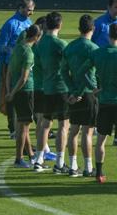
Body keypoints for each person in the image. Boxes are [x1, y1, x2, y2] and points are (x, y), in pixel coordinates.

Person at [81, 23, 117, 184]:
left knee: (101, 139)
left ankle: (99, 173)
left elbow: (82, 71)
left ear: (108, 35)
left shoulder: (98, 53)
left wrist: (93, 88)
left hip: (103, 101)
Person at [61, 14, 99, 177]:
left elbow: (64, 71)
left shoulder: (70, 47)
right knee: (88, 132)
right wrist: (83, 91)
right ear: (93, 29)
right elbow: (88, 74)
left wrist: (72, 91)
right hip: (89, 93)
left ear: (79, 28)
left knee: (73, 130)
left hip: (73, 93)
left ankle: (72, 165)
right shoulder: (94, 48)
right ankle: (88, 167)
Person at [33, 12, 69, 174]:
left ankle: (39, 159)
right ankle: (60, 162)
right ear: (60, 25)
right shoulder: (61, 44)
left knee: (45, 124)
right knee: (63, 125)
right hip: (61, 88)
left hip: (46, 87)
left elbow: (38, 65)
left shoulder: (39, 44)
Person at [0, 0, 35, 138]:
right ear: (21, 8)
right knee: (11, 94)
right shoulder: (11, 24)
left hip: (25, 64)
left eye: (32, 10)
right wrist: (14, 51)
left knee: (24, 94)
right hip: (11, 65)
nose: (31, 13)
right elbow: (0, 46)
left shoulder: (28, 22)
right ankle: (12, 129)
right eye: (29, 10)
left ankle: (22, 125)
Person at [5, 24, 42, 168]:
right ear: (36, 37)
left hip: (14, 91)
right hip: (25, 91)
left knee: (23, 123)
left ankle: (31, 155)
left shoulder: (17, 48)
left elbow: (9, 72)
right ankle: (19, 158)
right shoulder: (28, 53)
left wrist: (9, 92)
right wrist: (13, 92)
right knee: (24, 126)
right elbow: (24, 77)